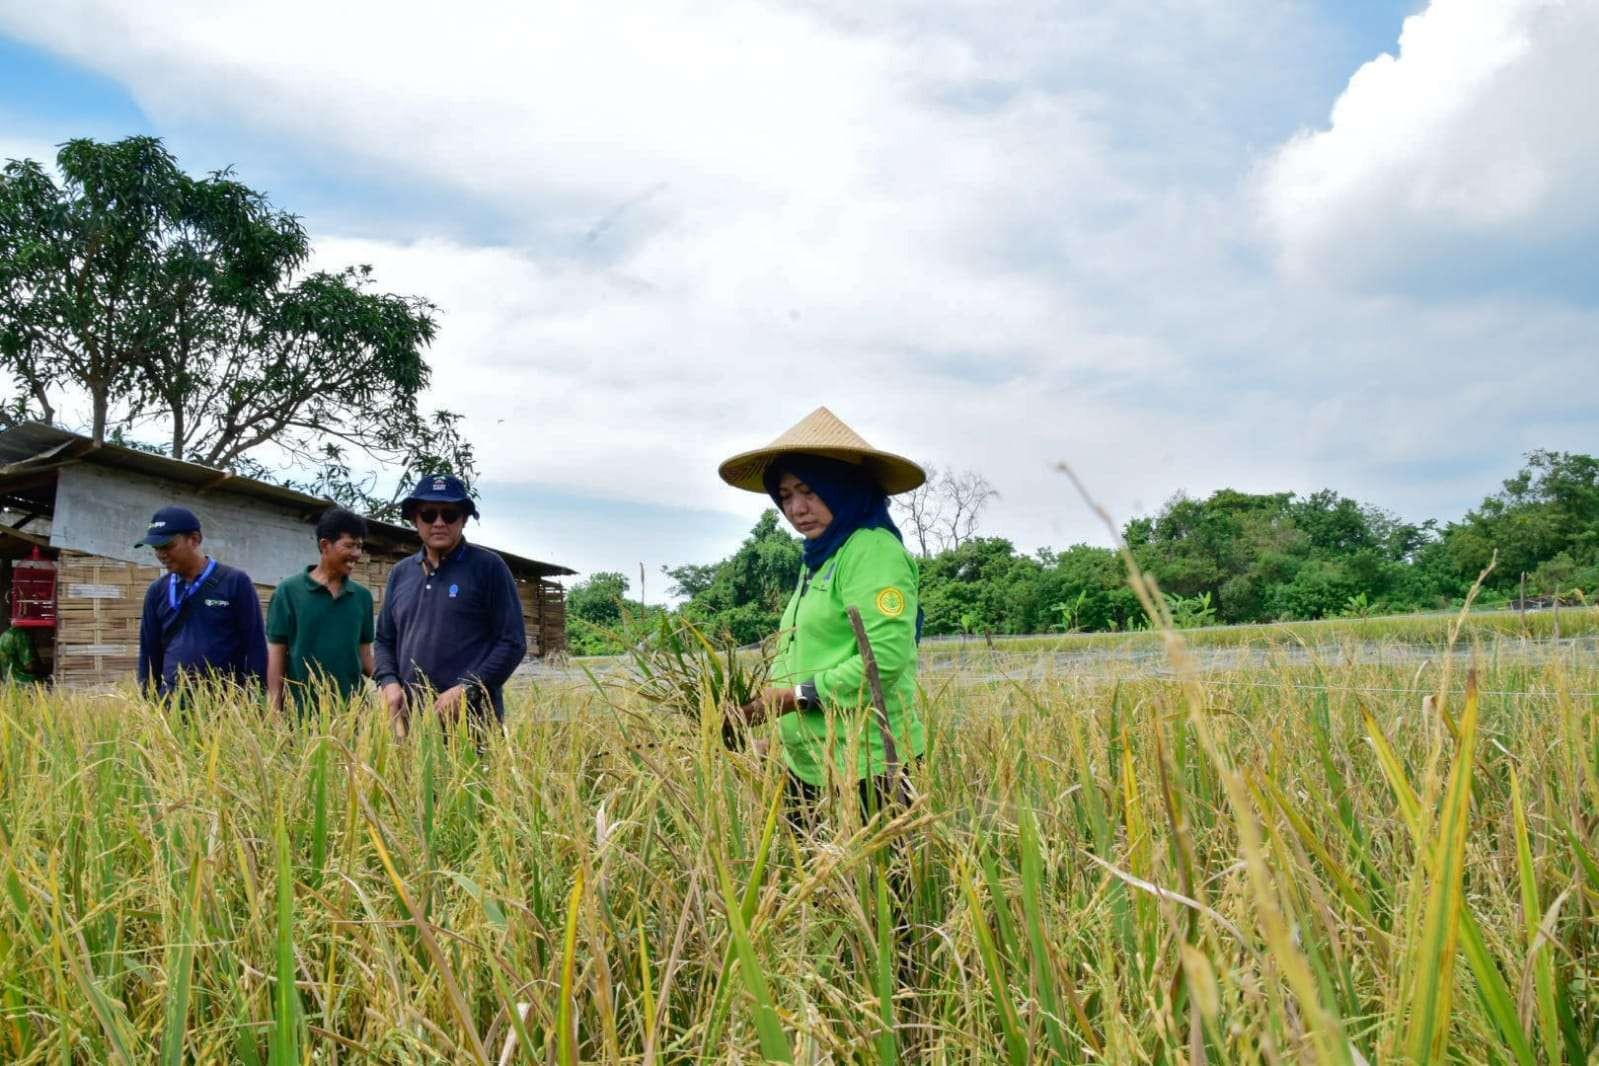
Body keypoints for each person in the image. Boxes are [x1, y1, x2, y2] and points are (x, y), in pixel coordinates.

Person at [718, 406, 927, 823]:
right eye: (786, 496)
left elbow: (881, 660)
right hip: (810, 766)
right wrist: (769, 731)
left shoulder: (872, 551)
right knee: (815, 887)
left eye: (809, 490)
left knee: (877, 888)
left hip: (869, 765)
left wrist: (794, 699)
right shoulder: (817, 559)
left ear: (843, 487)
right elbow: (805, 653)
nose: (796, 508)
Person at [374, 474, 527, 736]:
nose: (439, 523)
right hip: (412, 725)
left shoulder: (488, 568)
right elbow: (384, 640)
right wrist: (388, 682)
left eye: (450, 514)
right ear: (414, 518)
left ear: (464, 519)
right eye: (429, 514)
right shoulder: (401, 573)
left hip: (473, 724)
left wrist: (468, 688)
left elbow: (512, 643)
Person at [135, 505, 267, 700]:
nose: (161, 554)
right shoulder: (157, 591)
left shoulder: (235, 582)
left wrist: (258, 700)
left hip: (227, 705)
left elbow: (255, 646)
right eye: (156, 548)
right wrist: (150, 703)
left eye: (167, 546)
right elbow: (149, 653)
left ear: (195, 539)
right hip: (172, 703)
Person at [266, 507, 376, 718]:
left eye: (360, 546)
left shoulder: (362, 597)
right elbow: (277, 655)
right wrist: (274, 712)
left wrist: (394, 681)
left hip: (353, 716)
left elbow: (365, 657)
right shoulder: (288, 592)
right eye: (349, 545)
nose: (357, 554)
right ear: (325, 545)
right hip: (302, 715)